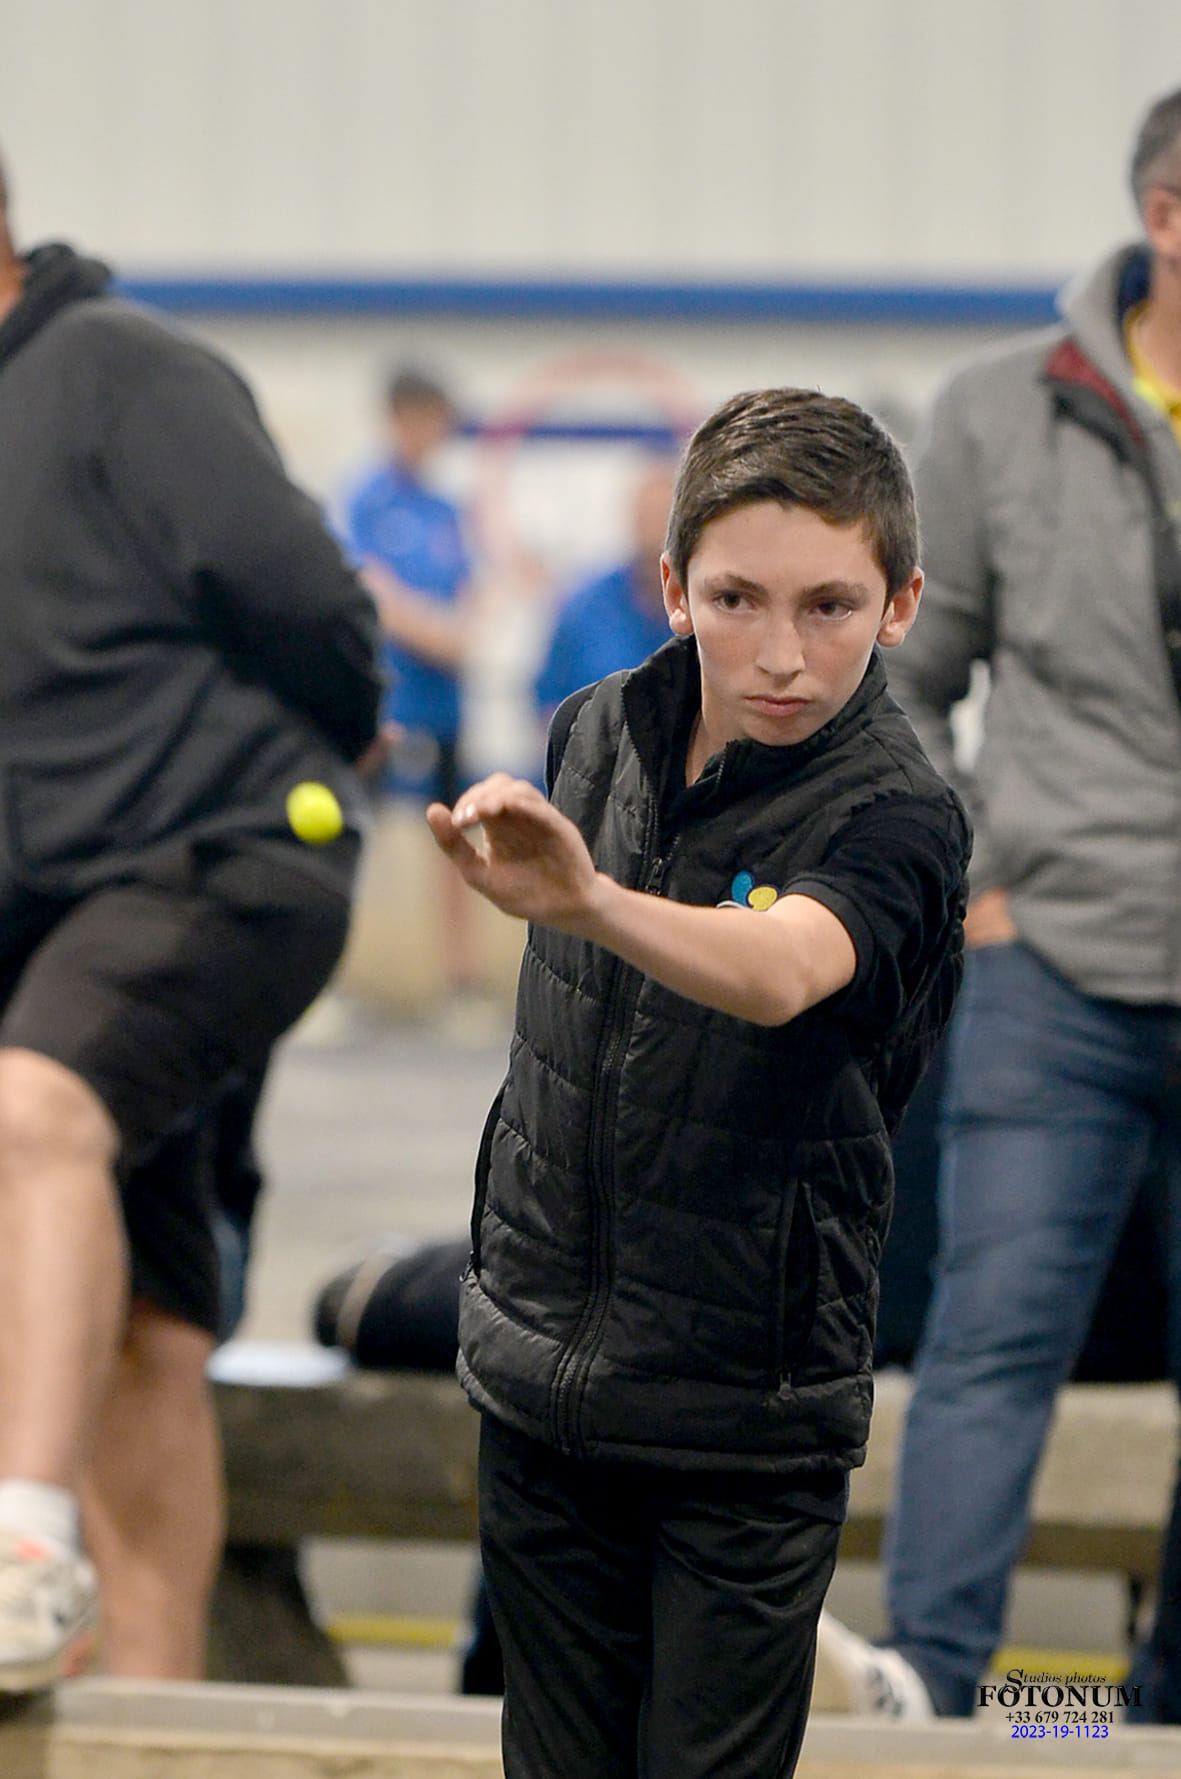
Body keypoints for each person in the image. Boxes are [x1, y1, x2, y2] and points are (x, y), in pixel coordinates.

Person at [425, 386, 970, 1778]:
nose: (780, 652)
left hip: (743, 1417)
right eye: (735, 597)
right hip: (543, 1383)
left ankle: (958, 1684)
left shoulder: (898, 812)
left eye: (831, 606)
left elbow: (784, 964)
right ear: (672, 586)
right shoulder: (593, 730)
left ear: (901, 603)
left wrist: (592, 899)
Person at [813, 84, 1181, 1725]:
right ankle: (938, 1688)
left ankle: (1154, 1708)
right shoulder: (996, 413)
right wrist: (973, 884)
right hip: (1058, 972)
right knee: (989, 1341)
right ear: (1163, 218)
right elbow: (914, 681)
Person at [0, 156, 384, 1688]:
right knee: (151, 1319)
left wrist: (317, 741)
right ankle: (153, 1705)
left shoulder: (121, 371)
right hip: (48, 919)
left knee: (32, 1112)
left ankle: (28, 1544)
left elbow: (313, 610)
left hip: (219, 860)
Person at [342, 366, 484, 1009]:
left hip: (446, 705)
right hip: (385, 704)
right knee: (355, 837)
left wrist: (467, 633)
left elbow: (475, 593)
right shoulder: (364, 500)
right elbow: (371, 592)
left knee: (455, 837)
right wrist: (439, 634)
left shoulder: (447, 510)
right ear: (399, 419)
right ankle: (340, 982)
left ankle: (456, 984)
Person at [533, 458, 677, 718]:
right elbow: (547, 701)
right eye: (647, 516)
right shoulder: (582, 608)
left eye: (663, 517)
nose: (656, 531)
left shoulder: (707, 611)